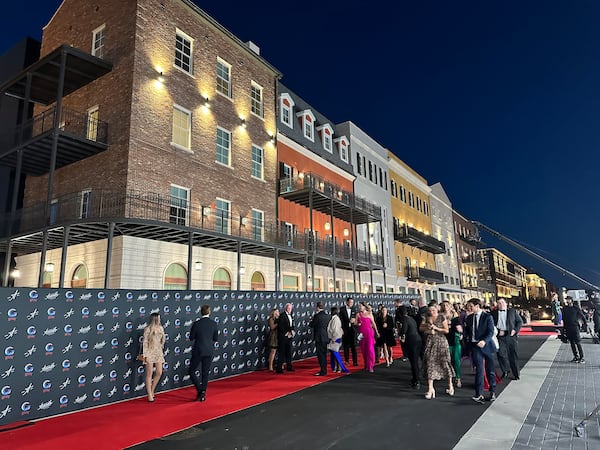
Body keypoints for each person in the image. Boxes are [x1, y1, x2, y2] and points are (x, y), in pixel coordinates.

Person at [464, 298, 497, 404]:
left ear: (477, 306)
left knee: (490, 370)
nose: (469, 308)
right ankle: (479, 394)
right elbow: (468, 331)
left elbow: (491, 331)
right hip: (475, 346)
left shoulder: (487, 317)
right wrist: (464, 335)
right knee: (479, 370)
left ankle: (492, 392)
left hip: (486, 346)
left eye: (471, 306)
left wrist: (484, 341)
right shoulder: (469, 318)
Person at [419, 305, 454, 399]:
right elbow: (421, 328)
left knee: (445, 363)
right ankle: (430, 389)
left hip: (441, 342)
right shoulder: (426, 317)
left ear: (437, 309)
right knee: (430, 363)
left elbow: (446, 330)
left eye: (433, 310)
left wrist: (436, 328)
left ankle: (450, 385)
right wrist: (427, 328)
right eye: (430, 310)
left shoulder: (442, 317)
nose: (432, 312)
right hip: (430, 342)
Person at [189, 305, 219, 402]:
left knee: (191, 371)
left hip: (198, 350)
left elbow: (191, 337)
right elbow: (215, 338)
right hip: (209, 351)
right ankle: (202, 393)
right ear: (209, 312)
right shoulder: (213, 323)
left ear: (200, 312)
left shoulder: (196, 324)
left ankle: (200, 390)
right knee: (205, 373)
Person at [491, 298, 523, 380]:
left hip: (510, 336)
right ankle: (505, 370)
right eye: (498, 303)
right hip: (499, 336)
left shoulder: (512, 312)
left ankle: (516, 373)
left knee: (512, 355)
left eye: (502, 302)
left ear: (506, 303)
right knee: (501, 354)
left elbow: (520, 321)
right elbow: (491, 325)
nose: (500, 304)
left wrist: (515, 330)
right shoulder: (493, 313)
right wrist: (497, 331)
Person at [141, 312, 165, 402]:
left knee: (159, 372)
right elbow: (145, 343)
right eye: (158, 318)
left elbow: (162, 340)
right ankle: (149, 395)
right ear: (155, 319)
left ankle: (152, 390)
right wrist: (145, 355)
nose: (160, 320)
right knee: (149, 373)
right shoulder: (148, 329)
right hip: (149, 352)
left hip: (158, 352)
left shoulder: (161, 328)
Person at [397, 305, 422, 388]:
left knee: (414, 362)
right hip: (418, 340)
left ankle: (416, 380)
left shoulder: (404, 319)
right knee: (416, 361)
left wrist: (400, 335)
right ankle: (416, 378)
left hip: (412, 341)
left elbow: (404, 330)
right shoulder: (411, 319)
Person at [441, 301, 463, 388]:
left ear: (450, 306)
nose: (446, 307)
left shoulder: (455, 315)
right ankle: (450, 376)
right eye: (444, 305)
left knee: (456, 359)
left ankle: (458, 378)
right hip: (445, 339)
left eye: (447, 305)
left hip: (455, 339)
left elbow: (459, 327)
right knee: (448, 360)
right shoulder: (441, 316)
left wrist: (460, 330)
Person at [562, 297, 587, 363]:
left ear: (572, 300)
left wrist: (585, 325)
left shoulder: (576, 308)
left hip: (575, 327)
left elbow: (582, 316)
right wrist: (563, 329)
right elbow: (564, 319)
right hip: (568, 327)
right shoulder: (565, 308)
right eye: (567, 299)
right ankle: (576, 356)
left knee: (578, 342)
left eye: (569, 299)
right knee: (572, 343)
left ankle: (581, 357)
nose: (567, 301)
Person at [356, 302, 379, 372]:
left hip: (369, 333)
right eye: (359, 306)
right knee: (364, 350)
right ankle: (366, 364)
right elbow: (356, 323)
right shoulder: (358, 314)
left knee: (370, 350)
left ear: (364, 307)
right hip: (362, 334)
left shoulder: (369, 314)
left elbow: (374, 323)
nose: (360, 307)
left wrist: (377, 332)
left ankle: (371, 366)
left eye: (361, 306)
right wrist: (357, 323)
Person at [309, 301, 330, 376]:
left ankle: (323, 371)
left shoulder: (317, 316)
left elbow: (311, 325)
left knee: (321, 355)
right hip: (326, 337)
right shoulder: (327, 316)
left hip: (319, 338)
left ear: (317, 307)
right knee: (324, 354)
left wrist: (311, 320)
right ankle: (324, 370)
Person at [327, 306, 349, 373]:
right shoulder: (334, 319)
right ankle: (336, 367)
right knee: (334, 354)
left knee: (336, 354)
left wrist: (333, 339)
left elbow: (336, 331)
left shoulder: (336, 319)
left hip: (335, 339)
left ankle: (339, 368)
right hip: (334, 338)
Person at [276, 303, 295, 373]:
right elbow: (280, 326)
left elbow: (291, 325)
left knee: (288, 352)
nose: (290, 309)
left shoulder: (291, 315)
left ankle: (289, 366)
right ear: (286, 308)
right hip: (283, 337)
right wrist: (287, 333)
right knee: (282, 353)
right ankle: (279, 369)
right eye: (288, 308)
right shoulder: (282, 315)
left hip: (289, 337)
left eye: (291, 308)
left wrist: (292, 331)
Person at [339, 297, 358, 366]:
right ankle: (346, 360)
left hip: (353, 330)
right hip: (345, 330)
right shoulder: (342, 309)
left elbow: (357, 319)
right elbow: (340, 320)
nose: (351, 304)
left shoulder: (355, 309)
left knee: (353, 347)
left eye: (352, 302)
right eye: (350, 302)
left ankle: (355, 361)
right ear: (346, 302)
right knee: (346, 346)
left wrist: (354, 321)